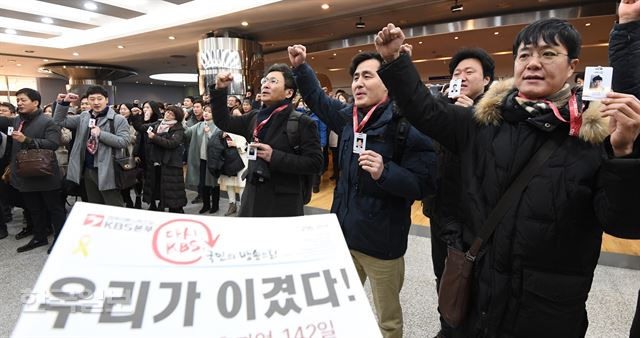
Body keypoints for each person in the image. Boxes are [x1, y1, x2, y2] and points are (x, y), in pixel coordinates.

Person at [374, 4, 640, 335]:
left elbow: (622, 223)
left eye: (548, 54)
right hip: (480, 295)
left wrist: (623, 153)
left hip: (546, 312)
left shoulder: (591, 136)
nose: (533, 63)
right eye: (524, 54)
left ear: (573, 66)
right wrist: (395, 61)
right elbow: (424, 110)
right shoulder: (484, 124)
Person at [289, 45, 437, 338]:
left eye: (367, 76)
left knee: (388, 320)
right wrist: (301, 69)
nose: (358, 83)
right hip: (343, 236)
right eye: (355, 77)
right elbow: (318, 100)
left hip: (382, 244)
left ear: (389, 82)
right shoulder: (348, 117)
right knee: (340, 308)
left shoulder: (407, 124)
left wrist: (386, 172)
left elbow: (424, 184)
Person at [422, 47, 495, 338]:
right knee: (443, 274)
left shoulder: (494, 115)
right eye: (456, 73)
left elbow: (493, 161)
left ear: (487, 80)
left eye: (469, 72)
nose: (461, 77)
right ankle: (447, 327)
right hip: (440, 210)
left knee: (469, 278)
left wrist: (471, 120)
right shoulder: (443, 110)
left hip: (472, 217)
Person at [211, 64, 323, 217]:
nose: (265, 85)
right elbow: (223, 121)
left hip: (283, 201)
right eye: (265, 80)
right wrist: (219, 89)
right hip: (252, 195)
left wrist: (274, 156)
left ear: (289, 93)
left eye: (273, 81)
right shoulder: (254, 117)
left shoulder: (302, 122)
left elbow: (315, 163)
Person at [4, 88, 65, 253]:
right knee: (34, 209)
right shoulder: (17, 120)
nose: (19, 103)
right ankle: (39, 237)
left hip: (44, 172)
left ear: (36, 102)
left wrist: (27, 140)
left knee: (55, 209)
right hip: (25, 173)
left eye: (23, 100)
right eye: (18, 101)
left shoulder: (48, 121)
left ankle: (60, 240)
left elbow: (53, 144)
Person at [54, 85, 130, 207]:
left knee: (114, 206)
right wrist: (63, 104)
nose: (96, 102)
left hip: (108, 169)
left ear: (107, 100)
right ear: (88, 100)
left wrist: (101, 134)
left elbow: (124, 141)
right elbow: (59, 121)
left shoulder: (118, 119)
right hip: (88, 169)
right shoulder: (85, 116)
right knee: (95, 206)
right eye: (92, 99)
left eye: (99, 99)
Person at [132, 105, 187, 213]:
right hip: (157, 162)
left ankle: (176, 211)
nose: (167, 114)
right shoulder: (158, 124)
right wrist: (136, 115)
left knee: (173, 191)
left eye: (171, 114)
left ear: (177, 116)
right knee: (159, 187)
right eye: (167, 112)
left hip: (171, 164)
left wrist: (155, 137)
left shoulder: (178, 128)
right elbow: (140, 127)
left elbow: (172, 143)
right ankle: (160, 207)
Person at [184, 100, 221, 214]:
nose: (206, 113)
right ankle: (206, 205)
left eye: (209, 112)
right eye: (205, 111)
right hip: (201, 159)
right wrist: (183, 121)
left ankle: (215, 205)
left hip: (213, 160)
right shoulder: (199, 125)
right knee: (203, 183)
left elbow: (219, 144)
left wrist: (209, 133)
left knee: (214, 184)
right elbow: (187, 133)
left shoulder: (218, 126)